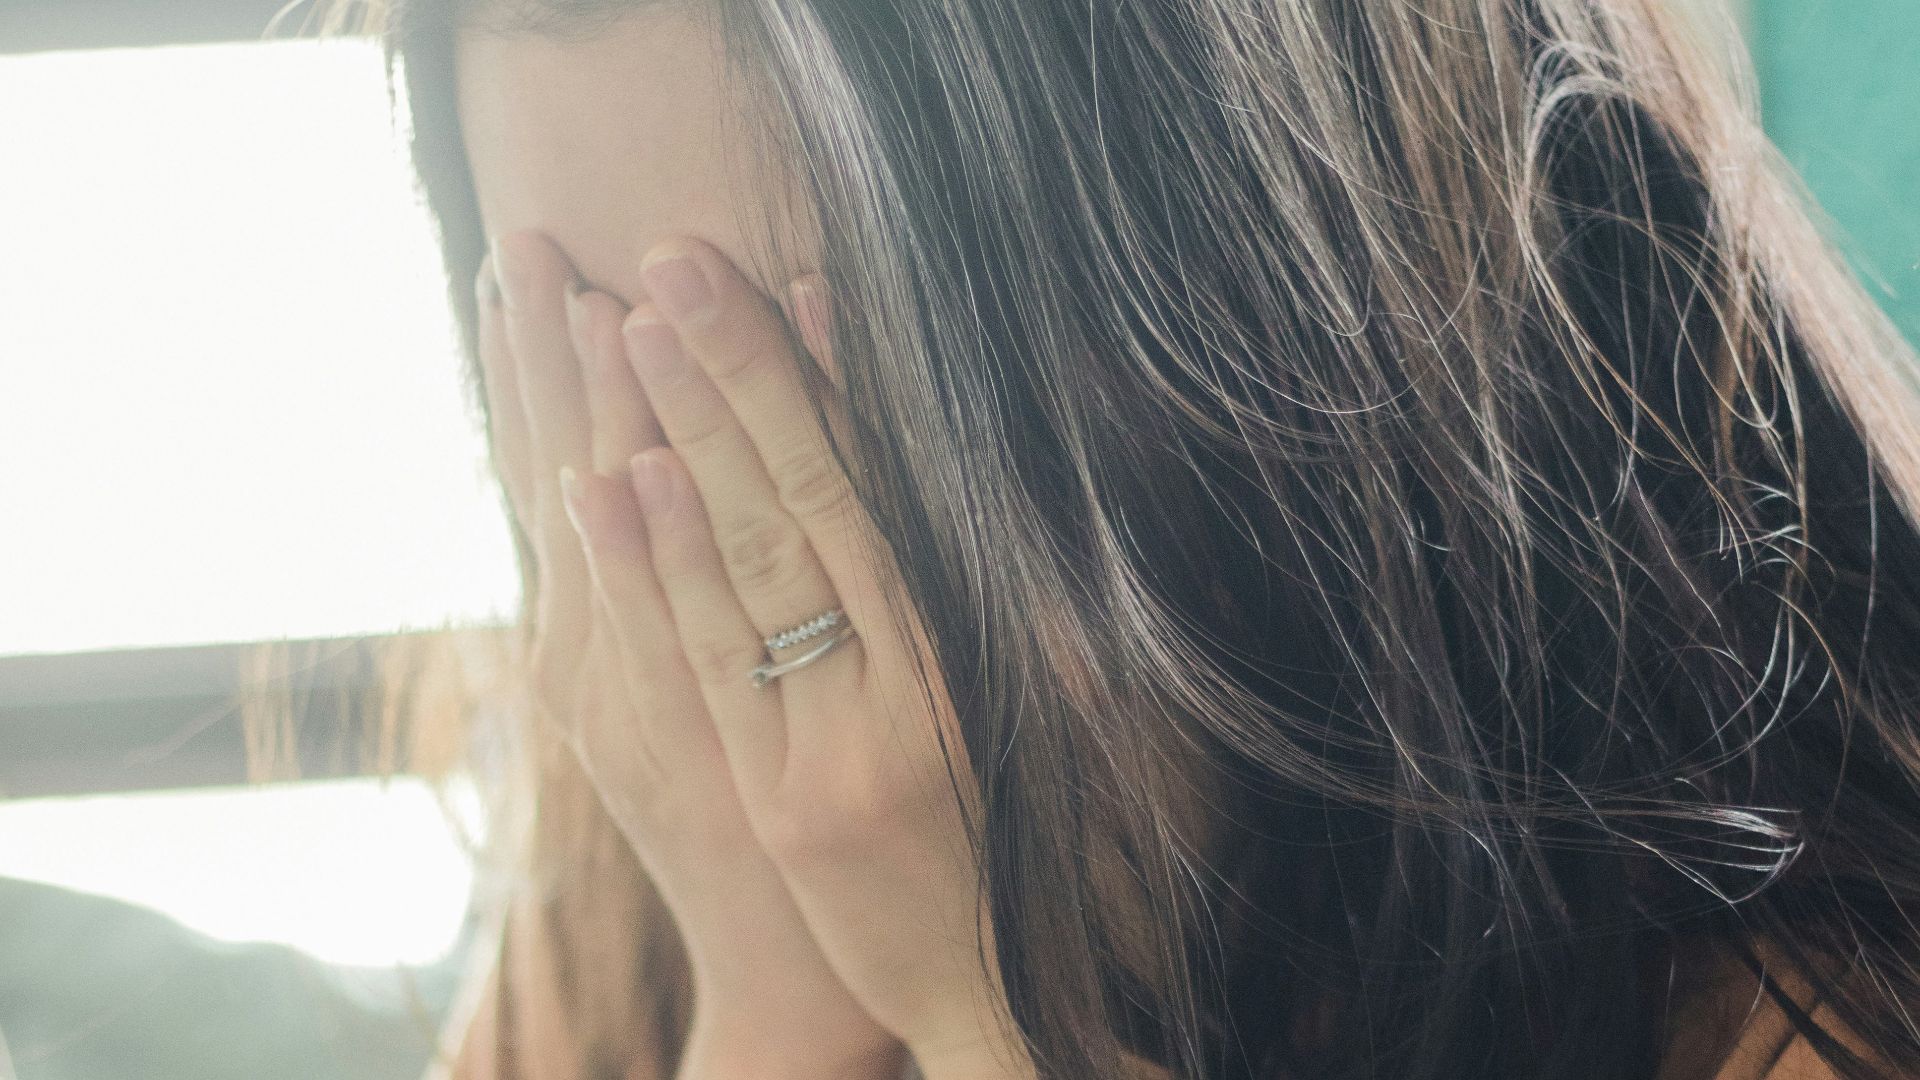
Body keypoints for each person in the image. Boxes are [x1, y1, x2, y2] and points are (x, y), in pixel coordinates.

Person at [304, 0, 1920, 1076]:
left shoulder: (1784, 1011)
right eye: (595, 374)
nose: (715, 554)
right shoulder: (633, 871)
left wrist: (997, 1014)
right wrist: (778, 1014)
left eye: (795, 411)